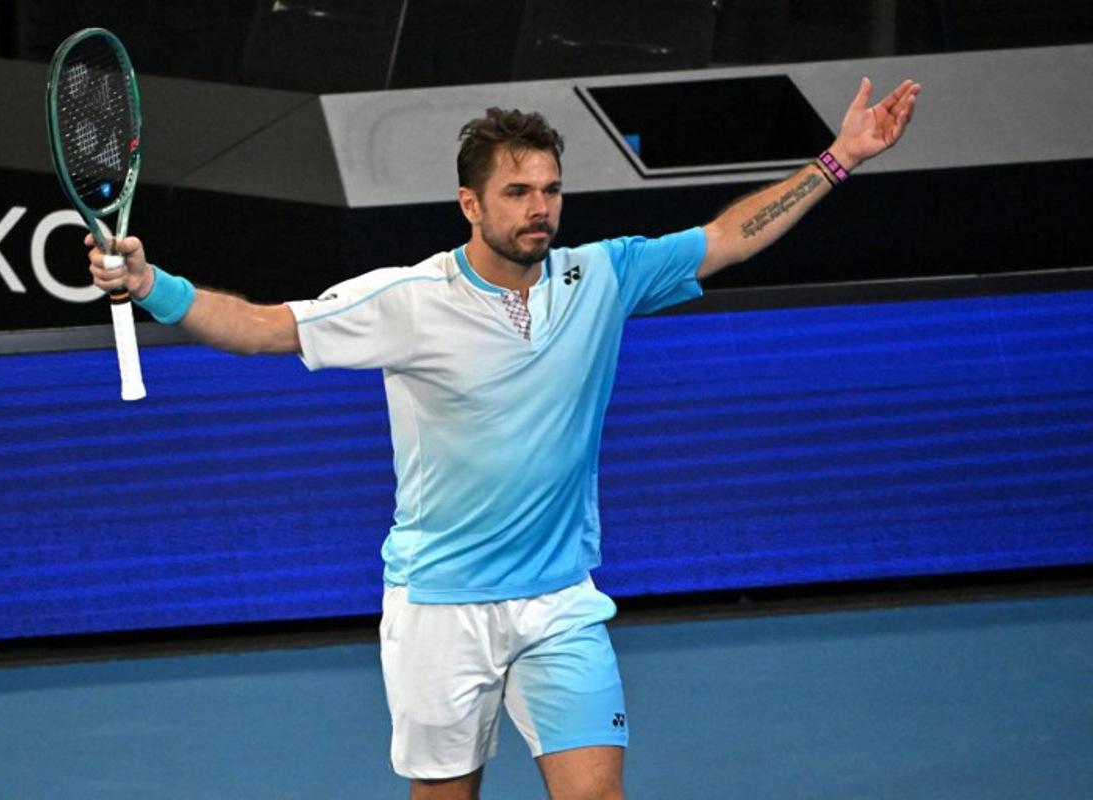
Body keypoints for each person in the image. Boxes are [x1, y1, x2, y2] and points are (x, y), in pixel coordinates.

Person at [88, 76, 919, 800]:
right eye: (518, 193)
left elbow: (730, 237)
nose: (540, 209)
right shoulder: (407, 300)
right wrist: (155, 286)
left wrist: (839, 157)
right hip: (442, 604)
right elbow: (267, 329)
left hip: (559, 599)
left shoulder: (604, 276)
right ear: (471, 204)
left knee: (597, 791)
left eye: (550, 190)